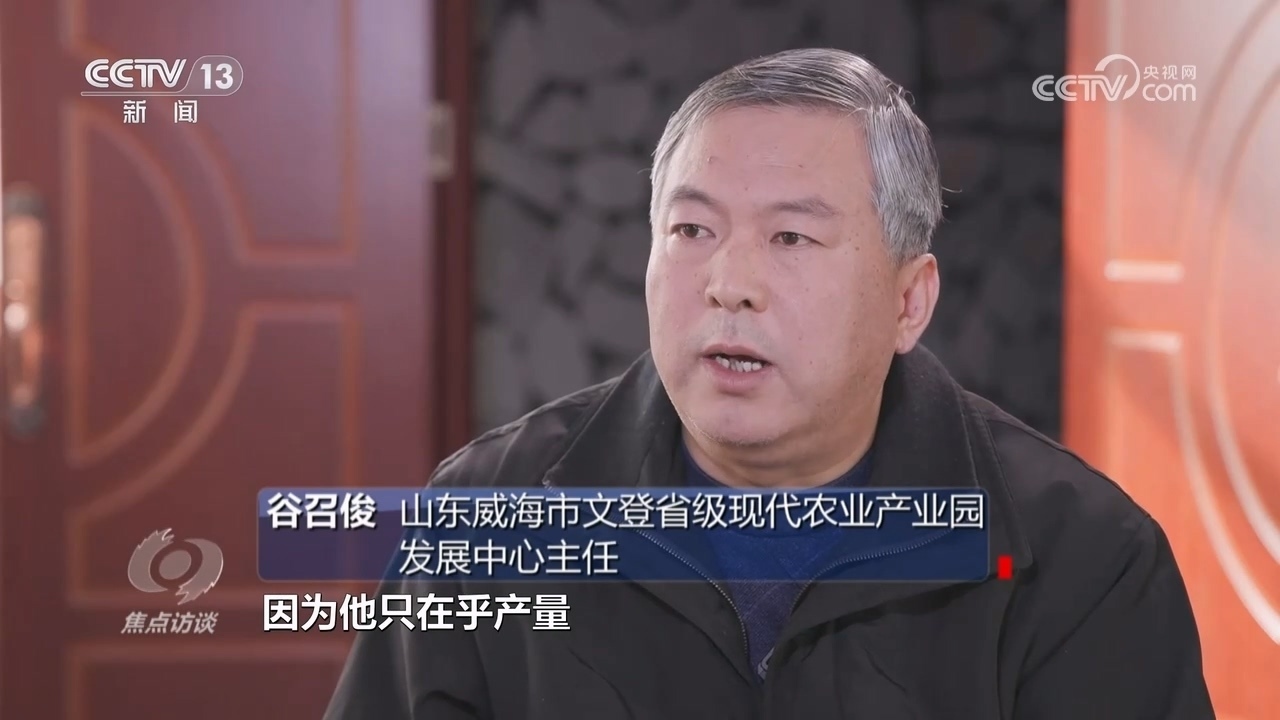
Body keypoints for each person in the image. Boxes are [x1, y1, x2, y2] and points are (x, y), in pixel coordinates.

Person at [324, 48, 1213, 719]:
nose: (729, 283)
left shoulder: (1084, 559)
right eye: (691, 231)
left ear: (909, 302)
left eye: (791, 238)